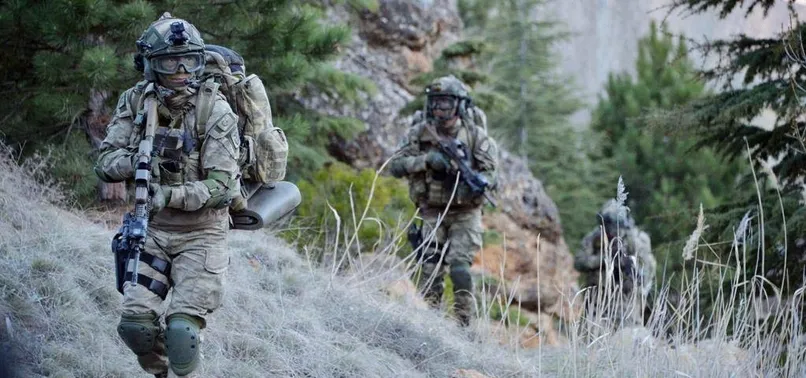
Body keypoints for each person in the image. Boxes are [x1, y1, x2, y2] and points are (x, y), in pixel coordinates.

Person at [94, 13, 240, 378]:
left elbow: (222, 187)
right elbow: (106, 162)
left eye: (189, 60)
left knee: (181, 332)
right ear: (149, 66)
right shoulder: (135, 102)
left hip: (202, 234)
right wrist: (140, 159)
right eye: (168, 62)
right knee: (136, 327)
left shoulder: (215, 109)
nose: (180, 70)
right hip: (152, 230)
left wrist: (167, 196)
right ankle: (161, 373)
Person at [389, 75, 498, 327]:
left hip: (465, 212)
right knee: (429, 270)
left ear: (459, 106)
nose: (439, 109)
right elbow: (395, 166)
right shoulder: (418, 134)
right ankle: (433, 322)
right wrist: (426, 161)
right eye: (435, 103)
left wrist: (475, 179)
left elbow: (491, 174)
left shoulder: (476, 136)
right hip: (431, 211)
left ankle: (463, 324)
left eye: (445, 104)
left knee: (460, 270)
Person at [574, 200, 656, 329]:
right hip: (598, 297)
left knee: (630, 333)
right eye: (607, 224)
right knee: (593, 333)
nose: (611, 230)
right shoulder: (594, 238)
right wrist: (605, 259)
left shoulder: (634, 239)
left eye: (613, 224)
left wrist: (627, 263)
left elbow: (646, 267)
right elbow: (579, 261)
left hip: (626, 297)